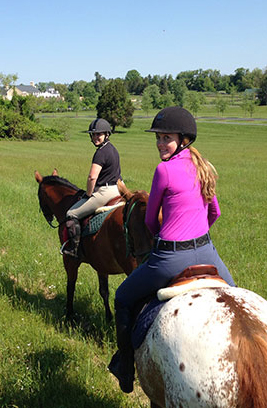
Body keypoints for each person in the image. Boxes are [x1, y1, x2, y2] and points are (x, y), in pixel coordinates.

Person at [108, 106, 236, 393]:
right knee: (235, 295)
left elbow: (152, 219)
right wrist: (197, 234)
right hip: (207, 252)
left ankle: (126, 367)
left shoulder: (163, 170)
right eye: (158, 138)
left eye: (166, 138)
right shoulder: (203, 167)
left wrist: (165, 240)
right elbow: (214, 212)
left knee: (122, 297)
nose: (160, 144)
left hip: (169, 257)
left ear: (183, 139)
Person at [62, 118, 122, 258]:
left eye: (99, 134)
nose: (95, 137)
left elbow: (92, 177)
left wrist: (89, 194)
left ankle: (74, 250)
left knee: (71, 214)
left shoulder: (101, 152)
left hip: (104, 192)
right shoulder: (113, 149)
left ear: (106, 134)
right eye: (93, 135)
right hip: (116, 190)